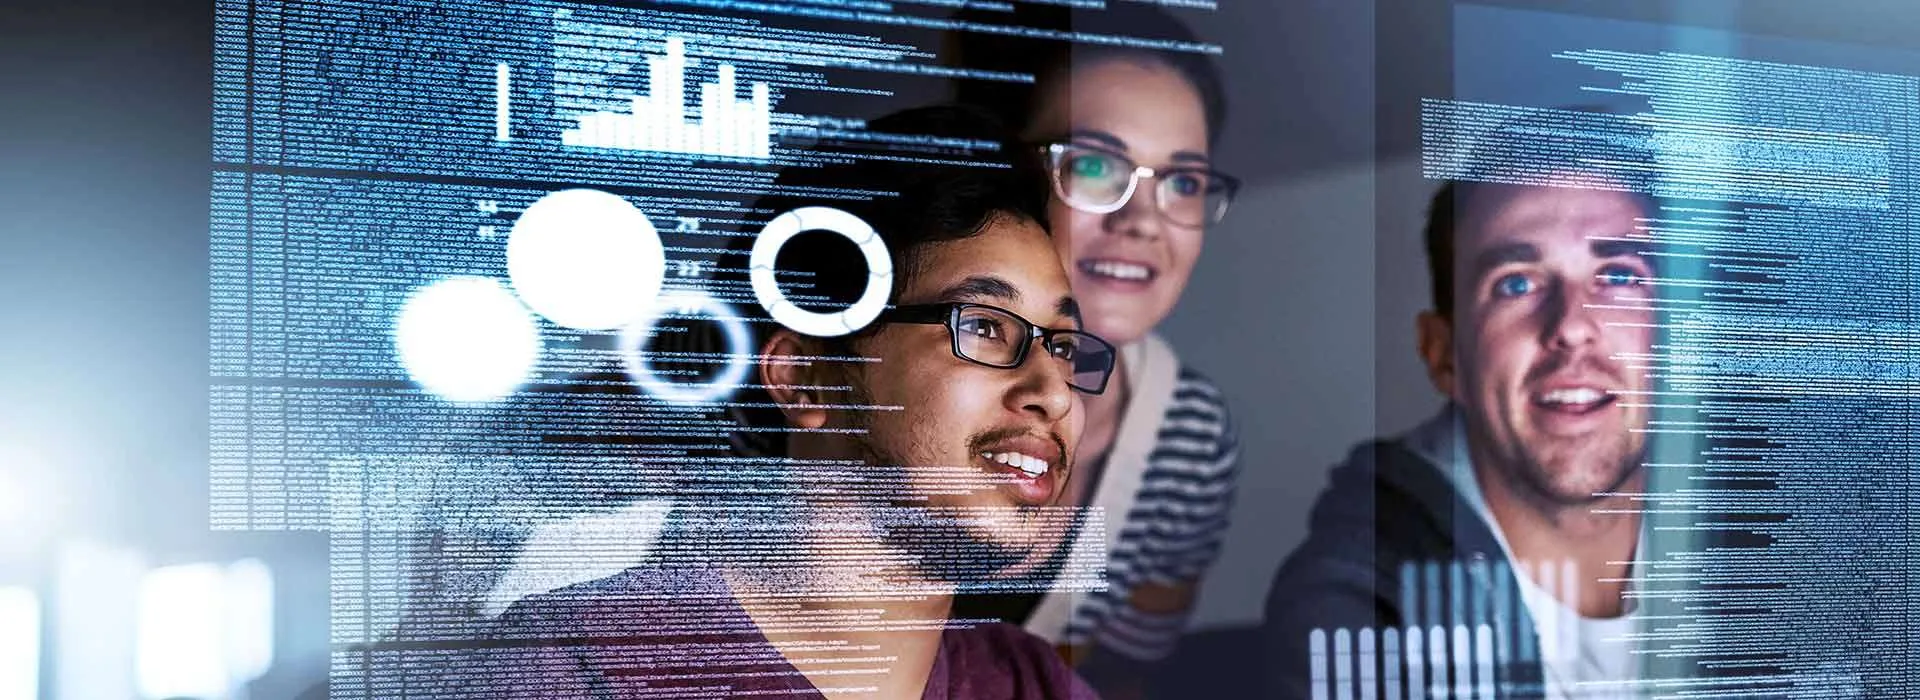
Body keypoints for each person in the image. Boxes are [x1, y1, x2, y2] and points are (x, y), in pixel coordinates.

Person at [449, 105, 1115, 699]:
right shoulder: (567, 671)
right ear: (803, 378)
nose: (1053, 392)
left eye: (1061, 345)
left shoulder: (1035, 684)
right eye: (985, 327)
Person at [1262, 146, 1661, 699]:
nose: (1572, 327)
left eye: (1618, 276)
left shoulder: (1767, 536)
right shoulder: (1359, 607)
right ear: (1444, 355)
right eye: (1516, 284)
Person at [944, 4, 1243, 688]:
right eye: (1095, 165)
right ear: (994, 169)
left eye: (1184, 182)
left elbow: (1125, 669)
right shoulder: (868, 370)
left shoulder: (1189, 437)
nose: (1143, 221)